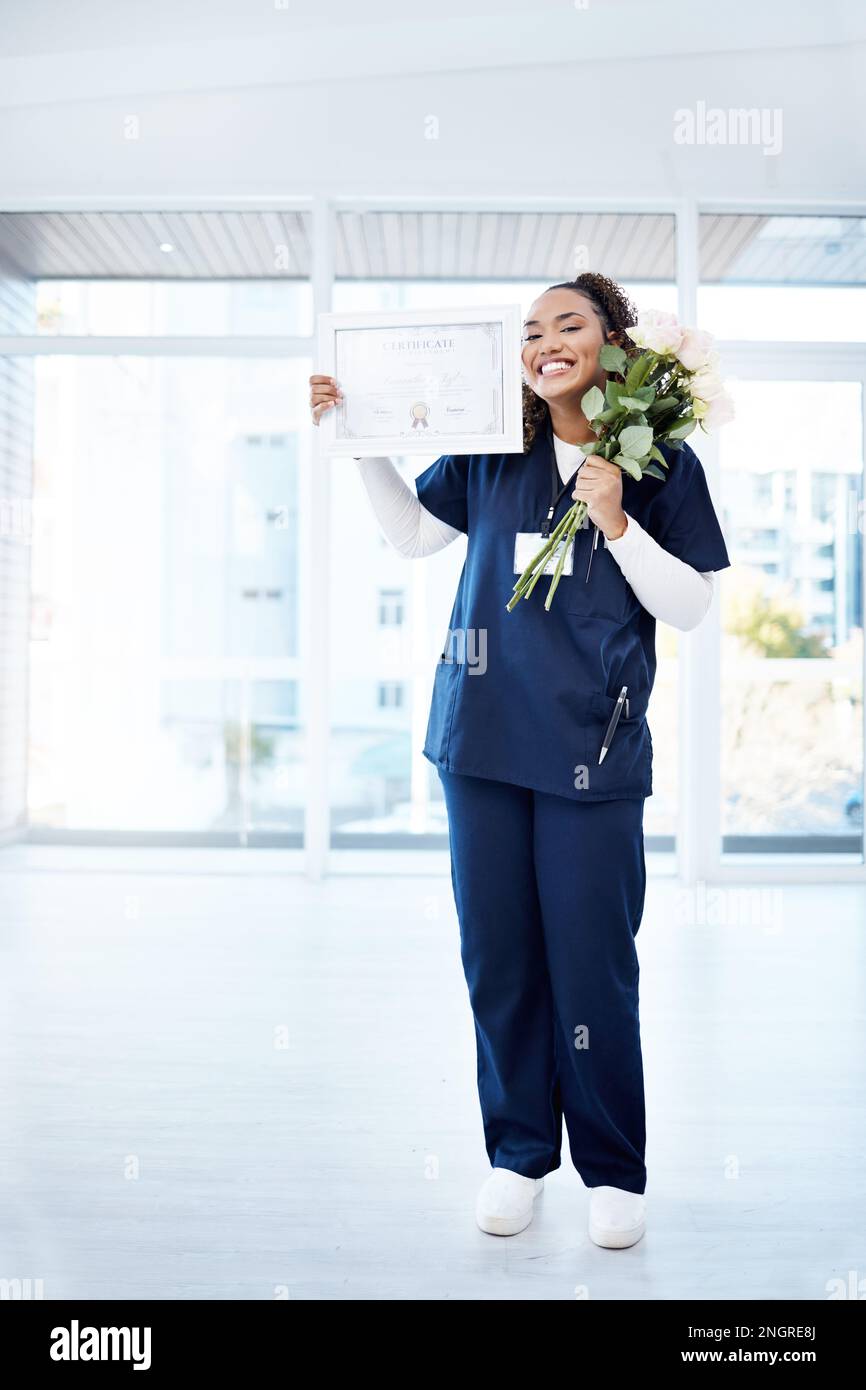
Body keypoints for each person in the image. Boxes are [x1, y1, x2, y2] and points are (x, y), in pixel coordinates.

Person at [310, 273, 731, 1248]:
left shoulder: (660, 458)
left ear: (613, 341)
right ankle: (515, 1154)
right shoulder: (496, 445)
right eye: (531, 330)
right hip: (483, 741)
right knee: (498, 959)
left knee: (591, 968)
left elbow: (691, 604)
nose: (545, 341)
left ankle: (612, 1168)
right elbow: (412, 535)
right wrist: (359, 442)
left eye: (568, 323)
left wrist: (617, 518)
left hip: (592, 746)